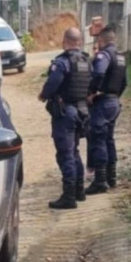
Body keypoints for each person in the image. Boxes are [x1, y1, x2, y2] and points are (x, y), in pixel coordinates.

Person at [39, 27, 92, 209]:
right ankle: (79, 191)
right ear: (80, 41)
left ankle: (69, 197)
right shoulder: (87, 60)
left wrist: (43, 95)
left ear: (65, 41)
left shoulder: (62, 62)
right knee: (75, 151)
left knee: (65, 153)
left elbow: (52, 84)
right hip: (82, 111)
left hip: (65, 113)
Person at [84, 25, 127, 194]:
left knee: (98, 139)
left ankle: (100, 180)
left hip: (102, 102)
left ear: (101, 41)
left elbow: (99, 73)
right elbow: (125, 82)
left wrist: (92, 92)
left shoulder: (104, 55)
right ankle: (112, 177)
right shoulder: (121, 58)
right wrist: (115, 96)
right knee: (109, 139)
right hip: (114, 101)